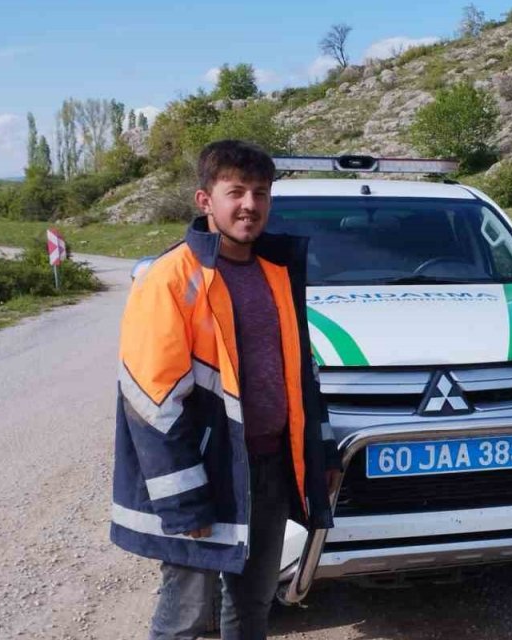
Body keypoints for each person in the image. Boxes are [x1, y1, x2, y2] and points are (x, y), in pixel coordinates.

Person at [111, 139, 341, 640]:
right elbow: (151, 399)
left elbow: (303, 375)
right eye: (235, 191)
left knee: (252, 607)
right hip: (207, 474)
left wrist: (318, 453)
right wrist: (184, 500)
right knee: (186, 617)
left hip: (269, 467)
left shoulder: (277, 270)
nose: (249, 205)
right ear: (204, 201)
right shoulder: (170, 278)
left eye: (260, 193)